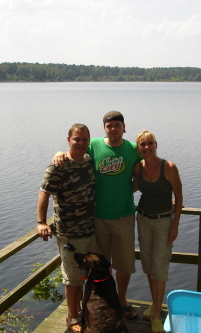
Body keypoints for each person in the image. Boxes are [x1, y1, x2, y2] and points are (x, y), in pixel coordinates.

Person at [53, 111, 141, 320]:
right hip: (97, 218)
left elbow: (149, 166)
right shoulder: (92, 144)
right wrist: (58, 153)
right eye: (109, 125)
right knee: (102, 264)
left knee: (125, 264)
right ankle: (106, 300)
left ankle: (121, 300)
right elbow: (74, 150)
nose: (113, 129)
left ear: (124, 127)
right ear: (104, 128)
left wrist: (166, 197)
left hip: (124, 216)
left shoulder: (132, 149)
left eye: (117, 125)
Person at [37, 123, 96, 333]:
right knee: (73, 278)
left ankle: (81, 310)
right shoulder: (58, 166)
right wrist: (41, 222)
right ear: (68, 140)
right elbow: (44, 192)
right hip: (70, 233)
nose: (80, 143)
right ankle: (72, 317)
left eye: (84, 140)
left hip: (90, 229)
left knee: (86, 274)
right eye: (76, 139)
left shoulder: (89, 160)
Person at [132, 130, 183, 333]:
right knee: (149, 266)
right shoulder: (138, 167)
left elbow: (179, 197)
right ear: (139, 148)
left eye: (150, 143)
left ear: (156, 144)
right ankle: (155, 303)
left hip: (163, 222)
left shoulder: (169, 167)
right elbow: (132, 188)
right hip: (143, 219)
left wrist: (175, 225)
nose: (147, 147)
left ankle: (156, 315)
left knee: (160, 268)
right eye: (143, 144)